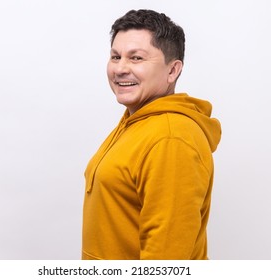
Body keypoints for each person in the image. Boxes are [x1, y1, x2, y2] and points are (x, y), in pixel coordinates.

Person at [82, 9, 222, 260]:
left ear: (172, 71)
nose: (120, 68)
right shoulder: (136, 121)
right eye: (115, 56)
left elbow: (166, 261)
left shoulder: (171, 138)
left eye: (136, 58)